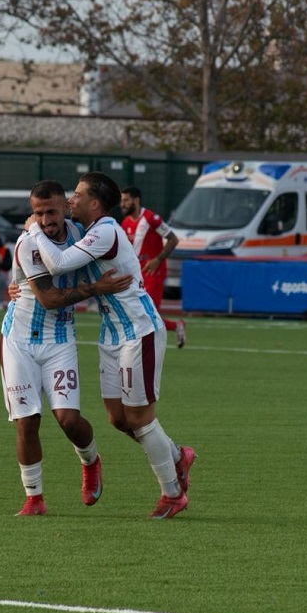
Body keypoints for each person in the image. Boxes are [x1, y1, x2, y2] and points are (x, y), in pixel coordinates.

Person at [26, 172, 196, 519]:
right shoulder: (86, 230)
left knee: (140, 418)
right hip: (111, 334)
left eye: (77, 194)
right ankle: (177, 456)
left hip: (138, 330)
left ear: (95, 203)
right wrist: (19, 285)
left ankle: (172, 494)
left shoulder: (106, 231)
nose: (71, 199)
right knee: (118, 419)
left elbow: (57, 262)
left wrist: (33, 229)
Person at [3, 180, 133, 515]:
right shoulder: (28, 243)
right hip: (19, 341)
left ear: (65, 207)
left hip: (60, 340)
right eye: (38, 213)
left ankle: (90, 461)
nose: (45, 220)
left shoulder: (80, 234)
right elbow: (48, 299)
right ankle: (34, 499)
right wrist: (96, 288)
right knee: (27, 421)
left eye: (51, 211)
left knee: (69, 419)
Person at [119, 186, 186, 347]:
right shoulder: (125, 223)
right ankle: (175, 326)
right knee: (141, 313)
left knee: (148, 314)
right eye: (122, 201)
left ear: (136, 200)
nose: (123, 204)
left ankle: (148, 345)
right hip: (137, 275)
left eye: (126, 200)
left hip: (154, 273)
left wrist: (158, 259)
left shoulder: (151, 218)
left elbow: (173, 239)